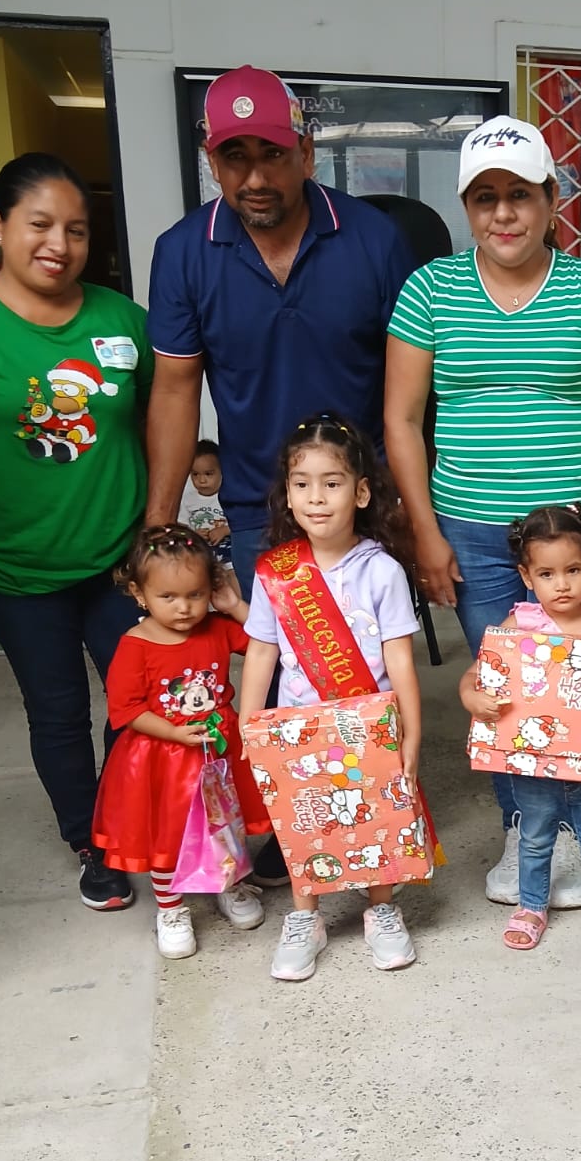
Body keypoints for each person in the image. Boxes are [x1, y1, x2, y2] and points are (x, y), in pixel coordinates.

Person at [144, 64, 415, 884]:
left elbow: (410, 390)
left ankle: (379, 817)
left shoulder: (373, 239)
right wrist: (160, 527)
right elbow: (175, 390)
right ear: (211, 159)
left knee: (368, 664)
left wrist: (412, 508)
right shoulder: (183, 252)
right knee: (281, 671)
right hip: (261, 504)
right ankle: (292, 829)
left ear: (306, 151)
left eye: (271, 154)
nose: (255, 176)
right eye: (235, 157)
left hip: (364, 503)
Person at [385, 115, 581, 911]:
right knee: (504, 681)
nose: (504, 212)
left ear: (551, 200)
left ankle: (580, 830)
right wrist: (425, 531)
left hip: (575, 532)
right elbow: (401, 419)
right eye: (485, 197)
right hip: (471, 529)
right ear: (467, 206)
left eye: (520, 194)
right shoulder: (430, 289)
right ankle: (525, 827)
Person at [0, 152, 152, 911]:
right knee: (56, 712)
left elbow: (159, 417)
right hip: (17, 570)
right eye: (41, 225)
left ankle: (125, 817)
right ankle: (92, 841)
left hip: (119, 559)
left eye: (77, 230)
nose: (60, 244)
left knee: (137, 700)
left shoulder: (121, 320)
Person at [238, 416, 423, 983]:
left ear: (361, 492)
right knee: (304, 821)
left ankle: (381, 908)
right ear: (287, 493)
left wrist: (411, 732)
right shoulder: (276, 572)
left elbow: (399, 658)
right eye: (302, 483)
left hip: (368, 721)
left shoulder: (383, 571)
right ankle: (305, 918)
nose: (316, 497)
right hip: (296, 725)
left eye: (332, 483)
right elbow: (262, 650)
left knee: (375, 818)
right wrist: (249, 722)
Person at [458, 505, 581, 980]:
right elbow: (476, 673)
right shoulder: (515, 627)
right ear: (527, 576)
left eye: (573, 570)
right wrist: (471, 696)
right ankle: (531, 906)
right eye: (546, 574)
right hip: (532, 764)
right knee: (535, 836)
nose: (561, 584)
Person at [91, 524, 269, 958]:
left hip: (218, 753)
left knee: (226, 823)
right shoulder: (135, 645)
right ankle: (171, 908)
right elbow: (126, 708)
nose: (184, 607)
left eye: (195, 594)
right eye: (167, 597)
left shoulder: (217, 628)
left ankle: (230, 885)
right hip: (162, 759)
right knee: (166, 835)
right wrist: (172, 732)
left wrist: (234, 605)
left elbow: (268, 641)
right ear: (139, 593)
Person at [179, 438, 237, 585]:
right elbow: (181, 527)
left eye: (208, 474)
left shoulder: (229, 496)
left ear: (222, 470)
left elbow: (240, 521)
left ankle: (238, 600)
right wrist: (194, 534)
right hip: (200, 548)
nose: (202, 480)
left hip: (227, 546)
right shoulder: (188, 499)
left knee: (232, 573)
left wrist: (224, 530)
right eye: (195, 474)